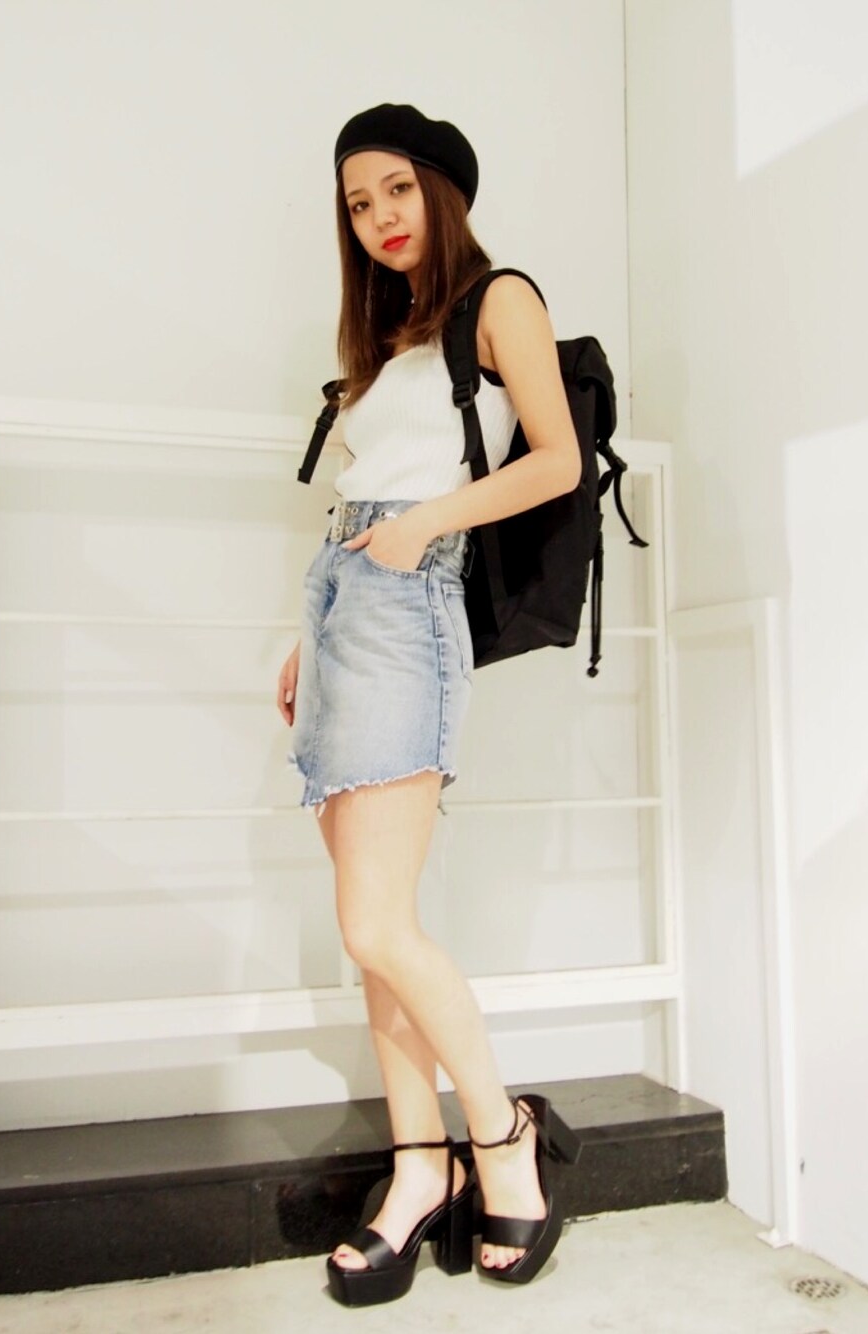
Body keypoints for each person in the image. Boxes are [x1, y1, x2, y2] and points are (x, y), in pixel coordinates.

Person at [277, 103, 582, 1307]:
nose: (378, 218)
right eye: (358, 203)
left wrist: (423, 528)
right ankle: (418, 1166)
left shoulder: (499, 299)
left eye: (395, 189)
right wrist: (303, 636)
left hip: (410, 598)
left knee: (375, 925)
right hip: (344, 601)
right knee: (371, 930)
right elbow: (359, 494)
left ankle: (501, 1135)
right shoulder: (389, 335)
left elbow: (554, 458)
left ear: (441, 188)